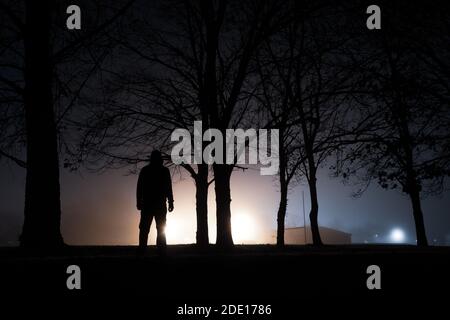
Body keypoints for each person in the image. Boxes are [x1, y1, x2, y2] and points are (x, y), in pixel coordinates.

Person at [136, 150, 174, 254]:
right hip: (157, 204)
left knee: (147, 228)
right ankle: (160, 250)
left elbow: (139, 187)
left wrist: (139, 202)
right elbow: (168, 187)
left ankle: (144, 250)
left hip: (149, 204)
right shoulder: (163, 171)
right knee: (158, 228)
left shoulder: (146, 170)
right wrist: (170, 201)